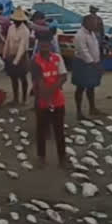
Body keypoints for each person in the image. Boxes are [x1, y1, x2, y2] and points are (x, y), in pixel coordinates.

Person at [32, 31, 68, 167]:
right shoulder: (34, 61)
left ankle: (62, 157)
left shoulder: (58, 58)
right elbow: (40, 83)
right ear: (39, 45)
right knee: (41, 130)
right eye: (42, 43)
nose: (45, 46)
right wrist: (48, 95)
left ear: (51, 44)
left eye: (47, 43)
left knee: (59, 130)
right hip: (42, 101)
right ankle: (41, 156)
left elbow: (64, 76)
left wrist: (51, 92)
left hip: (58, 100)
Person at [72, 15, 102, 120]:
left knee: (91, 86)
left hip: (93, 63)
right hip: (82, 64)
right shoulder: (80, 35)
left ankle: (92, 108)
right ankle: (79, 111)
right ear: (86, 23)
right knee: (80, 87)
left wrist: (97, 61)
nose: (95, 25)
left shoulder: (92, 33)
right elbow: (83, 51)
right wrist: (93, 63)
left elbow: (94, 48)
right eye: (93, 23)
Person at [2, 7, 30, 105]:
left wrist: (16, 61)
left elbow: (22, 47)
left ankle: (24, 99)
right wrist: (5, 55)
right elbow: (7, 42)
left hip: (22, 56)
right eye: (15, 21)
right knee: (13, 78)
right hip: (11, 54)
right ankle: (15, 98)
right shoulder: (11, 28)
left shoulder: (25, 31)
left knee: (23, 78)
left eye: (18, 21)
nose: (16, 22)